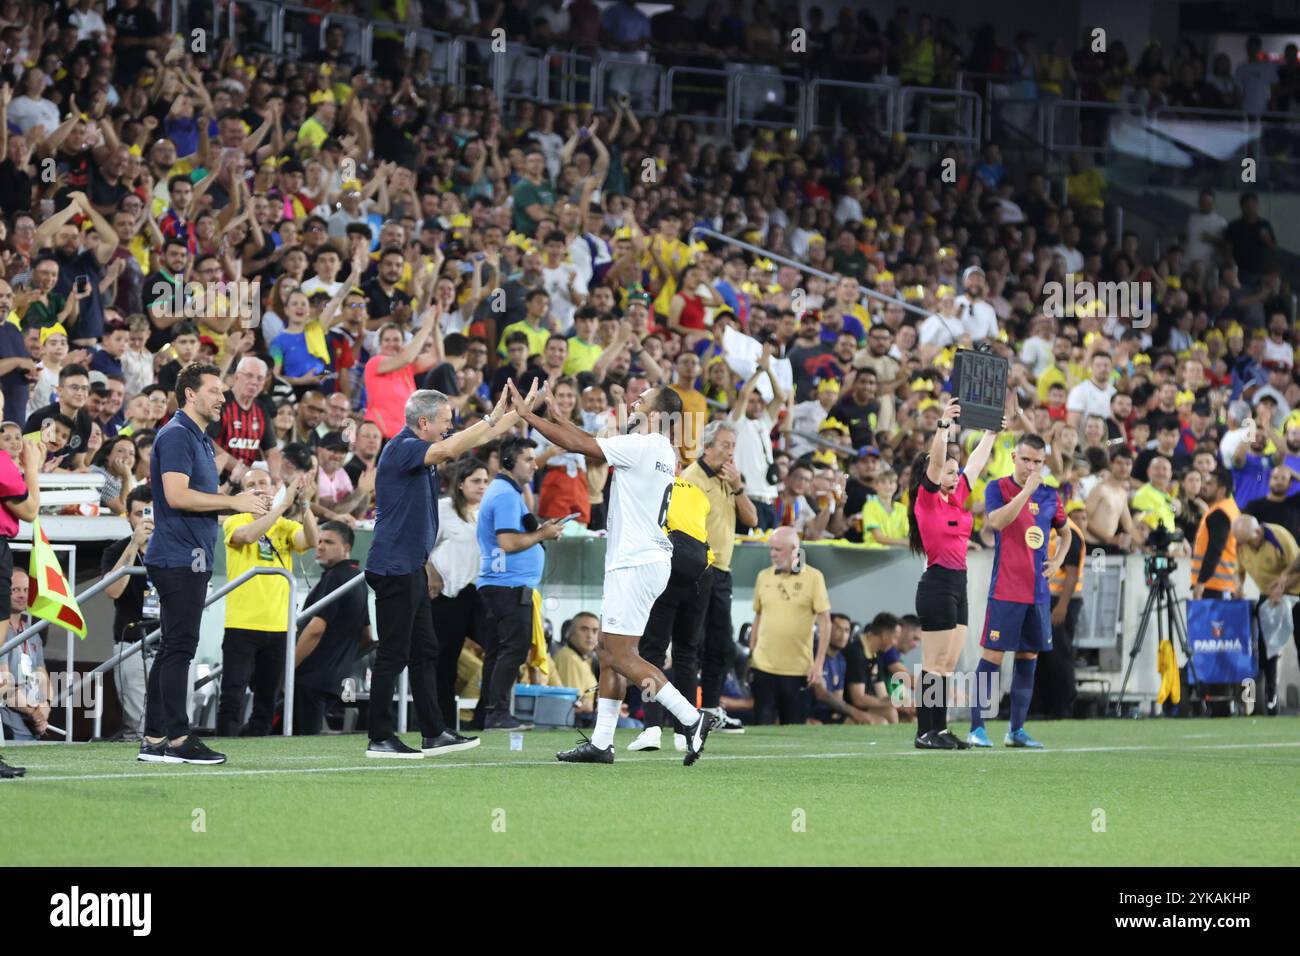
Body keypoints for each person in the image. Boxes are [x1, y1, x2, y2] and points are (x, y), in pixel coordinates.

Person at [507, 379, 713, 765]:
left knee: (620, 654)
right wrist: (555, 414)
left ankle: (691, 718)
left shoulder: (642, 446)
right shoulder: (657, 449)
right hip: (643, 559)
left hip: (635, 561)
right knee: (607, 648)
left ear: (657, 413)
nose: (635, 400)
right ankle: (602, 743)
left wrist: (526, 416)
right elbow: (585, 439)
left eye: (643, 398)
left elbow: (579, 446)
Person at [363, 384, 535, 758]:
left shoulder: (418, 449)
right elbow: (451, 447)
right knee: (394, 654)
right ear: (423, 422)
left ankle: (433, 732)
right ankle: (379, 736)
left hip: (409, 570)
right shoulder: (403, 447)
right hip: (394, 568)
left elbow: (470, 439)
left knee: (426, 651)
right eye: (446, 421)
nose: (449, 428)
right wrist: (490, 419)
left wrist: (517, 414)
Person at [140, 363, 271, 766]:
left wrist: (233, 498)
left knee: (172, 650)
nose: (222, 398)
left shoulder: (195, 436)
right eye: (215, 391)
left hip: (186, 553)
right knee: (179, 647)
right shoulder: (179, 434)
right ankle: (179, 739)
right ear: (190, 394)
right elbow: (177, 496)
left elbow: (196, 500)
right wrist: (234, 503)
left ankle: (155, 737)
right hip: (178, 556)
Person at [907, 396, 1001, 749]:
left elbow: (974, 465)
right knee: (933, 662)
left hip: (958, 582)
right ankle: (924, 732)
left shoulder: (957, 497)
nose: (956, 474)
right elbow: (935, 463)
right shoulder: (926, 499)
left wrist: (991, 436)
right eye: (950, 470)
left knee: (948, 662)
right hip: (937, 584)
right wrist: (944, 426)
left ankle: (941, 729)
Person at [968, 433, 1072, 749]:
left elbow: (1066, 535)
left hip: (1037, 592)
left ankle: (1016, 731)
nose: (1031, 466)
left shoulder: (1051, 496)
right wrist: (1026, 492)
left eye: (1037, 462)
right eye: (1026, 459)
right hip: (1006, 588)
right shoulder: (997, 488)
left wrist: (1057, 561)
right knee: (993, 655)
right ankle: (976, 728)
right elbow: (997, 522)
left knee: (1028, 656)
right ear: (1014, 457)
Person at [217, 466, 318, 737]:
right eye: (252, 485)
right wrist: (282, 506)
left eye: (264, 482)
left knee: (267, 698)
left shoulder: (285, 525)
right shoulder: (236, 520)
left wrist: (305, 504)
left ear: (274, 489)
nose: (259, 488)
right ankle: (224, 741)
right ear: (242, 493)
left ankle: (259, 747)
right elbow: (247, 536)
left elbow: (312, 539)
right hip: (242, 623)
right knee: (233, 694)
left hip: (279, 626)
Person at [628, 457, 714, 752]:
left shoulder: (646, 489)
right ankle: (683, 732)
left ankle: (652, 728)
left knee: (650, 654)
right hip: (701, 575)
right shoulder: (697, 493)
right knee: (686, 655)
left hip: (663, 572)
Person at [682, 419, 757, 733]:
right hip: (699, 570)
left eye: (733, 446)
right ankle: (686, 714)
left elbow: (751, 519)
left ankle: (710, 710)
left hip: (723, 570)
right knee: (691, 645)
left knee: (721, 645)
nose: (730, 452)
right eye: (725, 445)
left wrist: (738, 487)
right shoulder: (692, 478)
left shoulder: (729, 479)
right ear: (707, 446)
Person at [747, 526, 831, 725]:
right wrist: (752, 654)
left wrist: (818, 664)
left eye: (778, 549)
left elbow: (825, 620)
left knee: (793, 730)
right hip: (763, 668)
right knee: (761, 728)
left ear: (795, 549)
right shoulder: (763, 577)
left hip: (797, 671)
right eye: (771, 549)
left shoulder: (814, 577)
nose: (773, 554)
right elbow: (758, 617)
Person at [428, 457, 490, 722]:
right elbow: (423, 545)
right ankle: (438, 723)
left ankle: (484, 714)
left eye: (486, 481)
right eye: (476, 481)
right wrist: (431, 575)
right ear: (461, 484)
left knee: (499, 648)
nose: (482, 486)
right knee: (445, 662)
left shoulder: (485, 512)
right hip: (446, 594)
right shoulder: (443, 508)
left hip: (476, 594)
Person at [295, 520, 371, 735]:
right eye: (318, 541)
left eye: (328, 542)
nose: (319, 546)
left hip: (311, 676)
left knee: (302, 742)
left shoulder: (336, 577)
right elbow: (367, 635)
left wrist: (288, 668)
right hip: (336, 678)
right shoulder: (357, 579)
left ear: (346, 548)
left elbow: (315, 629)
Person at [100, 486, 156, 740]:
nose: (147, 519)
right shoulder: (116, 550)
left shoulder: (174, 548)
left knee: (176, 716)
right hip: (131, 641)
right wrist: (135, 543)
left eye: (153, 512)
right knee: (139, 722)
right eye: (139, 513)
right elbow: (112, 590)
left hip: (169, 642)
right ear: (128, 517)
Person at [1230, 514, 1300, 717]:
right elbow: (1238, 569)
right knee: (1265, 649)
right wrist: (1238, 585)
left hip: (1295, 593)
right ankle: (1270, 695)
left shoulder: (1279, 536)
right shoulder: (1242, 544)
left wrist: (1283, 585)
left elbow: (1297, 566)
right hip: (1268, 596)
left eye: (1250, 541)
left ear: (1258, 532)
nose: (1247, 546)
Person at [1192, 467, 1240, 600]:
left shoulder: (1219, 513)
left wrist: (1201, 582)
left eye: (1209, 484)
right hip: (1225, 584)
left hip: (1214, 585)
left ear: (1221, 490)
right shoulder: (1231, 508)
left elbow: (1215, 549)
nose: (1203, 487)